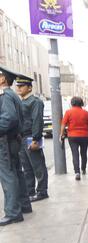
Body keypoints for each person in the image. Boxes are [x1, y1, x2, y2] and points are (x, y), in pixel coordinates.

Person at [0, 66, 32, 226]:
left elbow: (9, 118)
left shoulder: (5, 95)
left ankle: (13, 212)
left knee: (8, 175)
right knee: (17, 172)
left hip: (5, 140)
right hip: (13, 140)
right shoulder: (12, 95)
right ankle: (24, 205)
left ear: (2, 79)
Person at [15, 74, 49, 202]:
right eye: (18, 86)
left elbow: (37, 121)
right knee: (27, 168)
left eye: (22, 86)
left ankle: (42, 191)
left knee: (38, 166)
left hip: (31, 136)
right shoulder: (21, 101)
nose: (19, 88)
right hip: (22, 138)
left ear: (29, 88)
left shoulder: (35, 102)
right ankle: (30, 191)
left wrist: (36, 139)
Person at [60, 97, 88, 181]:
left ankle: (77, 172)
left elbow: (63, 124)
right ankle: (83, 169)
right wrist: (87, 132)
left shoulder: (68, 112)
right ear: (81, 103)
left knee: (75, 153)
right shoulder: (86, 113)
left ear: (72, 103)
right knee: (84, 153)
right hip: (84, 136)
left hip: (72, 136)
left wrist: (61, 134)